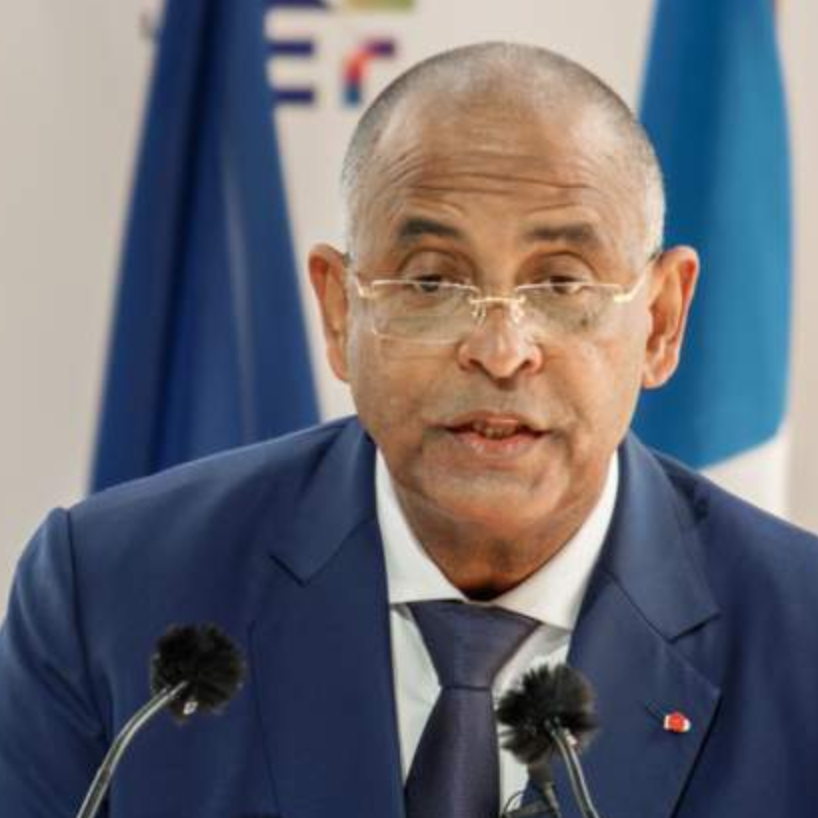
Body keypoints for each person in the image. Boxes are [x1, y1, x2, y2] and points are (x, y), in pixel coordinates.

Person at [1, 41, 817, 818]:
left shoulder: (800, 634)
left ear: (662, 322)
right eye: (431, 283)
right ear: (338, 311)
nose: (501, 352)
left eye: (561, 284)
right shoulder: (108, 595)